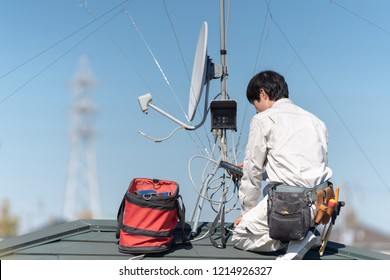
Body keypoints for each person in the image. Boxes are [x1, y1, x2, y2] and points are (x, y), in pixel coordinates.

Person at [231, 70, 333, 260]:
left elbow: (252, 172)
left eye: (255, 104)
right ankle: (305, 234)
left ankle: (292, 241)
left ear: (262, 93)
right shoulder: (316, 121)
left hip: (288, 206)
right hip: (319, 206)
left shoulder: (263, 119)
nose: (256, 110)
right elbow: (303, 167)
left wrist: (246, 213)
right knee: (274, 193)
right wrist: (263, 172)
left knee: (239, 235)